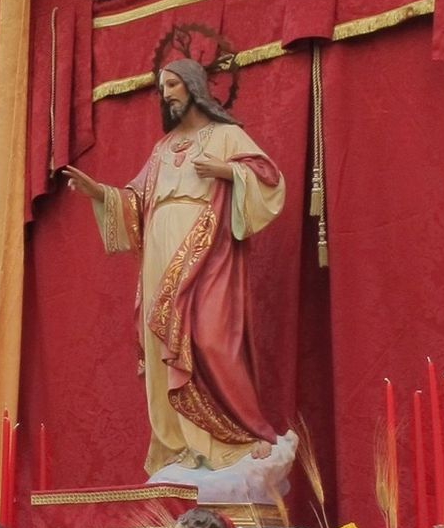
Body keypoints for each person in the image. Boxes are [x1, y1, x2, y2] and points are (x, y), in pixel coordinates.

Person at [62, 58, 286, 477]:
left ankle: (234, 435)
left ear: (193, 86)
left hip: (207, 250)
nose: (166, 95)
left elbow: (269, 178)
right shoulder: (162, 149)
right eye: (162, 88)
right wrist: (100, 194)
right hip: (159, 253)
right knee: (161, 339)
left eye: (172, 85)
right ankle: (181, 446)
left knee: (211, 337)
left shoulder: (225, 135)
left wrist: (226, 170)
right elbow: (135, 201)